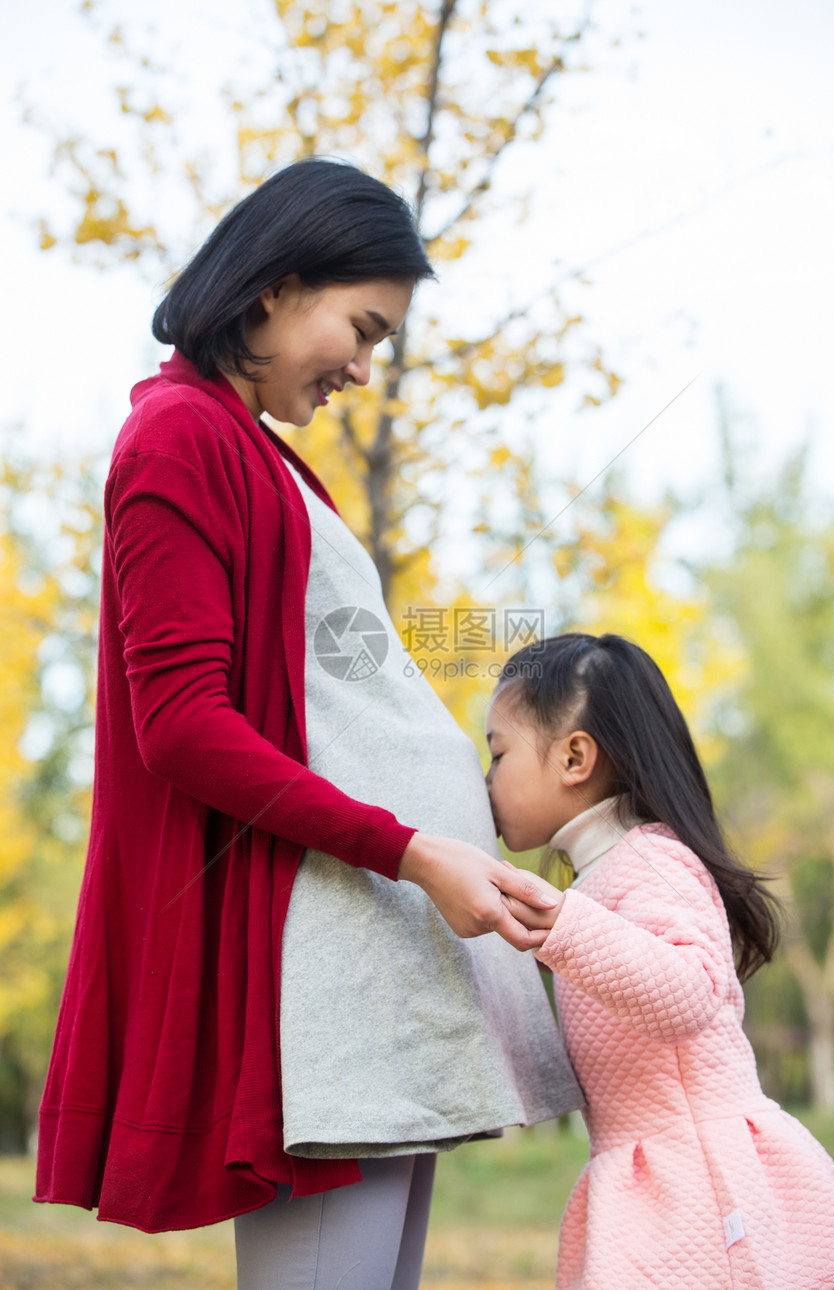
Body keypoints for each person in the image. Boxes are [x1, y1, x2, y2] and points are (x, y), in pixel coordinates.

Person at [34, 158, 582, 1289]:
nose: (364, 371)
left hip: (374, 951)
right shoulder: (177, 442)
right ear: (278, 287)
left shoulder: (259, 457)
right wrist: (413, 849)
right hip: (324, 959)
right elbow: (181, 725)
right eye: (362, 328)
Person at [484, 631, 834, 1290]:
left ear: (574, 756)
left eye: (498, 754)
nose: (486, 781)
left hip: (705, 1184)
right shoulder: (597, 882)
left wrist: (565, 928)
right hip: (653, 1178)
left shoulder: (652, 860)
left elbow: (691, 989)